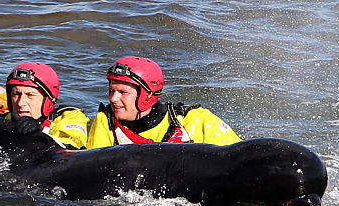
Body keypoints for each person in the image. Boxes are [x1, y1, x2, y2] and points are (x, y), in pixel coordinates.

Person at [85, 56, 240, 148]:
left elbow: (239, 158)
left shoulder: (194, 119)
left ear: (147, 96)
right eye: (112, 91)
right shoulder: (106, 121)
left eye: (123, 92)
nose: (113, 98)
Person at [4, 62, 88, 149]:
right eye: (16, 94)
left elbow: (70, 149)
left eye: (30, 95)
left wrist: (37, 135)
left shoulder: (71, 117)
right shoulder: (5, 119)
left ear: (47, 100)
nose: (20, 103)